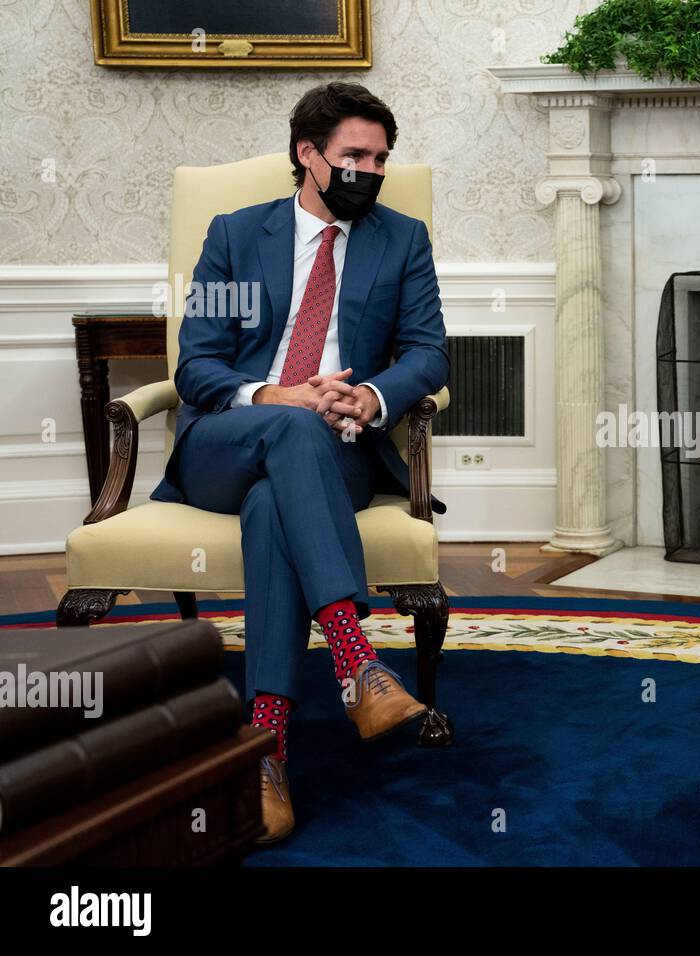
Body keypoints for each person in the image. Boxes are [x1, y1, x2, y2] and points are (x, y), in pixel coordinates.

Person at [151, 82, 450, 843]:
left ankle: (267, 753)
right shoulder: (236, 234)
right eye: (354, 155)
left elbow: (427, 352)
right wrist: (277, 394)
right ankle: (356, 662)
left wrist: (371, 398)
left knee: (271, 507)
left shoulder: (401, 237)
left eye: (381, 159)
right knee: (287, 431)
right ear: (308, 155)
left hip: (340, 449)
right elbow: (198, 366)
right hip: (229, 439)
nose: (370, 170)